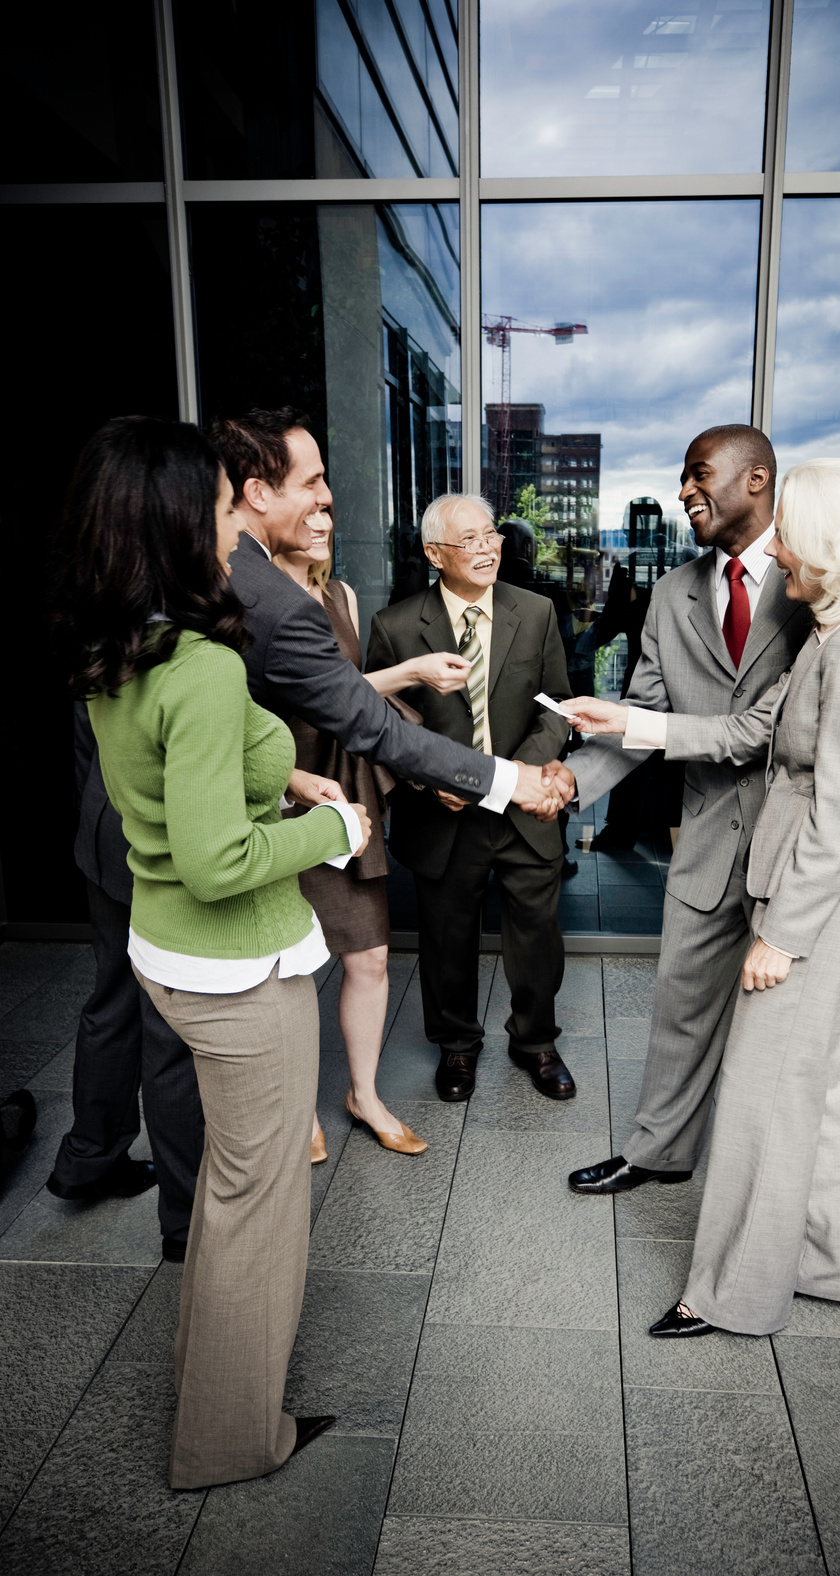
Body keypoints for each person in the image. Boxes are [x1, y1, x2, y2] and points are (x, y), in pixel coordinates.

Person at [54, 414, 368, 1490]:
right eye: (228, 504)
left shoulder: (118, 644)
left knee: (229, 1198)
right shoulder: (200, 667)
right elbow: (220, 859)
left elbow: (164, 775)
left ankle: (210, 1394)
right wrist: (335, 828)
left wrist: (280, 777)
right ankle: (236, 1439)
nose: (242, 520)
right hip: (238, 973)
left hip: (168, 956)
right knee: (256, 1211)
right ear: (180, 517)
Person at [566, 458, 840, 1337]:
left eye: (794, 533)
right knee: (818, 1084)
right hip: (814, 890)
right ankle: (830, 1263)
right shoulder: (832, 633)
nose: (783, 552)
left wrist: (782, 938)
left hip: (820, 900)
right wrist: (623, 721)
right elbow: (746, 731)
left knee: (764, 1097)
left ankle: (734, 1293)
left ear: (828, 542)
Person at [208, 409, 563, 830]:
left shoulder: (228, 574)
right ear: (258, 494)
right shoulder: (275, 601)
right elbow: (371, 724)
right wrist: (503, 779)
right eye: (311, 481)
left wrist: (289, 779)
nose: (326, 496)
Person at [273, 507, 472, 1155]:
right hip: (284, 786)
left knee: (370, 955)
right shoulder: (257, 597)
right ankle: (298, 1111)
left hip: (347, 786)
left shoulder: (343, 596)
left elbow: (357, 700)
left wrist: (424, 763)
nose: (325, 515)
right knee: (290, 966)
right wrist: (413, 671)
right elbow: (327, 691)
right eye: (309, 501)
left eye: (331, 507)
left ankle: (364, 1094)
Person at [366, 493, 576, 1103]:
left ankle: (536, 1041)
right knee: (446, 937)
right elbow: (381, 724)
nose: (488, 548)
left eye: (492, 535)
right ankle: (456, 1046)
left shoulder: (535, 612)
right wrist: (427, 777)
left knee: (537, 935)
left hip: (523, 807)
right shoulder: (397, 626)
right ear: (434, 554)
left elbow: (555, 707)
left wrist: (515, 774)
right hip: (442, 813)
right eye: (470, 540)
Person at [45, 701, 204, 1262]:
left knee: (113, 998)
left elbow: (87, 747)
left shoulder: (102, 620)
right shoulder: (188, 629)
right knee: (169, 1027)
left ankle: (89, 1159)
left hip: (105, 828)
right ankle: (186, 1224)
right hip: (161, 835)